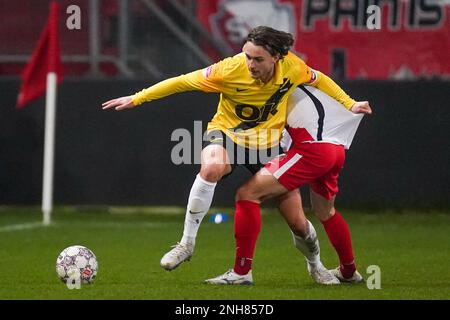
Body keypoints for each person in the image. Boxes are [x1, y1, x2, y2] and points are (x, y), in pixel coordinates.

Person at [102, 26, 369, 284]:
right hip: (226, 133)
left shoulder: (292, 68)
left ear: (277, 57)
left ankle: (316, 266)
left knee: (298, 223)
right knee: (211, 168)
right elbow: (182, 82)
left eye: (257, 59)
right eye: (247, 55)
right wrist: (138, 97)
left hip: (267, 142)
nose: (250, 63)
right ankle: (186, 244)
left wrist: (350, 103)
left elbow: (319, 78)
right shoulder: (229, 69)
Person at [205, 85, 372, 285]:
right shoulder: (313, 83)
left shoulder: (280, 84)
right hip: (336, 150)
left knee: (247, 194)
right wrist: (353, 104)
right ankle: (348, 271)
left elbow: (277, 129)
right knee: (326, 212)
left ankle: (241, 272)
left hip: (312, 150)